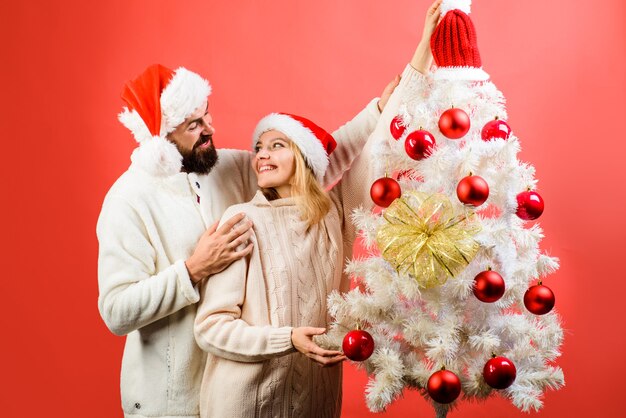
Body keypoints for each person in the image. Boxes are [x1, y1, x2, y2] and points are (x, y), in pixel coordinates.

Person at [96, 62, 397, 417]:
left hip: (237, 384)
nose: (211, 129)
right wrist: (193, 270)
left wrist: (378, 111)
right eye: (195, 125)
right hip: (169, 398)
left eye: (207, 116)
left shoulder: (223, 167)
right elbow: (116, 311)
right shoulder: (128, 200)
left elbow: (306, 165)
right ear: (162, 137)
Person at [193, 3, 443, 416]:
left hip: (313, 404)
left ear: (305, 159)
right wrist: (288, 338)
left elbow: (377, 147)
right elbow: (211, 328)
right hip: (244, 406)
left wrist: (423, 50)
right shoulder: (241, 220)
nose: (261, 155)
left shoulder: (333, 213)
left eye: (277, 145)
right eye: (259, 147)